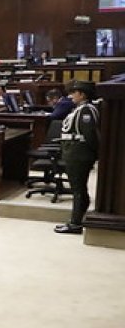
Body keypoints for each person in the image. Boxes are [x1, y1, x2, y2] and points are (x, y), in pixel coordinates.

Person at [55, 82, 99, 234]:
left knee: (78, 189)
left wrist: (92, 155)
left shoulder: (87, 110)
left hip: (79, 153)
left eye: (74, 92)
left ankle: (75, 223)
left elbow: (90, 136)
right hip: (73, 151)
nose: (71, 95)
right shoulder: (80, 109)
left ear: (83, 95)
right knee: (78, 188)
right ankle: (78, 219)